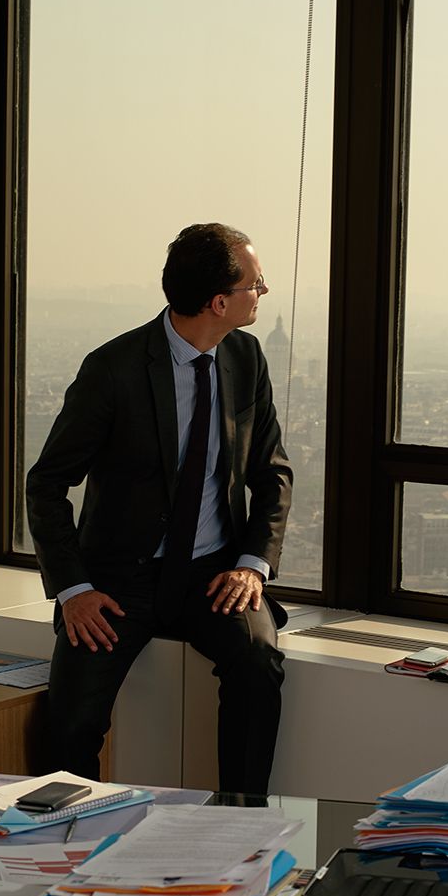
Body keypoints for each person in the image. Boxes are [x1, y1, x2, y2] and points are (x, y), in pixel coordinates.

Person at [25, 223, 292, 800]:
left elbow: (273, 472)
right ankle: (72, 839)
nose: (263, 292)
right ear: (218, 302)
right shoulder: (114, 369)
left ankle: (239, 824)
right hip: (119, 581)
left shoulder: (245, 356)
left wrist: (252, 564)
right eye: (256, 284)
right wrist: (73, 590)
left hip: (214, 574)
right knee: (69, 723)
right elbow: (46, 484)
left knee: (258, 663)